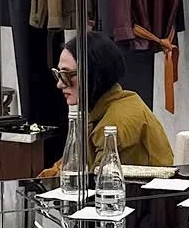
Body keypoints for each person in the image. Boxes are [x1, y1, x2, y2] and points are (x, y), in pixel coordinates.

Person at [42, 32, 173, 176]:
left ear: (93, 73)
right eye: (59, 74)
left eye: (66, 75)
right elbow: (68, 164)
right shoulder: (103, 110)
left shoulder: (114, 124)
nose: (60, 84)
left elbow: (100, 183)